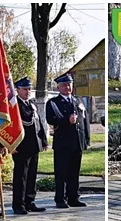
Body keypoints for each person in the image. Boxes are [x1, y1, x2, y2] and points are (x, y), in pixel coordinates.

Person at [44, 74, 89, 209]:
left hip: (77, 142)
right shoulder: (53, 103)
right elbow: (50, 120)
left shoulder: (77, 100)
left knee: (74, 172)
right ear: (58, 87)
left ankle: (73, 197)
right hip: (63, 143)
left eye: (69, 84)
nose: (67, 87)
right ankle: (60, 199)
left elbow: (84, 121)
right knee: (62, 172)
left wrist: (86, 138)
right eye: (64, 85)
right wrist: (66, 121)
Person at [10, 78, 47, 216]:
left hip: (34, 145)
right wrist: (10, 145)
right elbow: (10, 127)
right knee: (21, 176)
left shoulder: (31, 104)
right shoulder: (14, 106)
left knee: (32, 175)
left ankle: (29, 201)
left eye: (29, 89)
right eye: (24, 89)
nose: (27, 91)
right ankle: (18, 204)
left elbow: (38, 123)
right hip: (21, 146)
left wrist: (43, 140)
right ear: (17, 90)